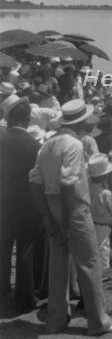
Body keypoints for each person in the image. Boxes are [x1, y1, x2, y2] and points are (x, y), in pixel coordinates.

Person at [28, 99, 112, 334]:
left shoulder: (47, 145)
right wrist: (69, 221)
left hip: (51, 204)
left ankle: (57, 318)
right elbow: (68, 183)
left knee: (58, 263)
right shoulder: (74, 145)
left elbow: (34, 182)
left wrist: (48, 218)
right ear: (81, 122)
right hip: (73, 207)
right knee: (89, 261)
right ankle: (98, 321)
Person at [0, 98, 42, 313]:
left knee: (3, 247)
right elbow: (38, 179)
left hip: (3, 203)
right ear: (26, 120)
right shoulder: (34, 145)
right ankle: (24, 299)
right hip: (26, 205)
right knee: (25, 249)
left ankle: (2, 292)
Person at [88, 154, 112, 270]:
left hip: (90, 224)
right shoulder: (106, 194)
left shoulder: (87, 188)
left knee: (93, 254)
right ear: (104, 176)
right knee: (103, 257)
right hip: (102, 227)